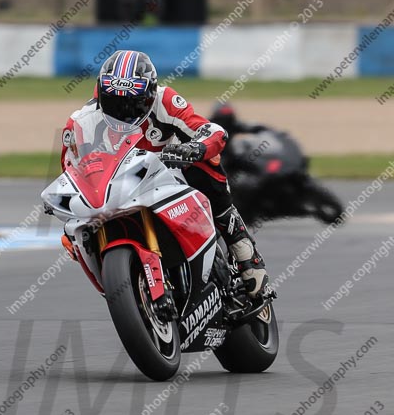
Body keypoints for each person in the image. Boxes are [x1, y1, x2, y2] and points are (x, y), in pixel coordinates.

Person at [59, 50, 272, 300]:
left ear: (150, 93)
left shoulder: (166, 100)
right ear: (101, 93)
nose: (124, 110)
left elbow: (211, 130)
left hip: (171, 173)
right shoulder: (81, 122)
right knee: (76, 230)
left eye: (133, 102)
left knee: (205, 167)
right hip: (120, 186)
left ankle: (246, 253)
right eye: (115, 102)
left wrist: (196, 147)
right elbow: (71, 171)